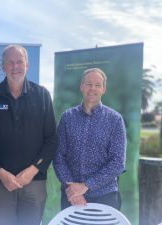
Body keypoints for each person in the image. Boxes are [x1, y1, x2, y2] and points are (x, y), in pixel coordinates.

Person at [0, 44, 57, 225]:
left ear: (27, 65)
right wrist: (0, 172)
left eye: (19, 62)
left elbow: (51, 140)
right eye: (10, 62)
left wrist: (33, 170)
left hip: (34, 181)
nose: (15, 67)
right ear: (3, 66)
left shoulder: (42, 95)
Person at [53, 68, 126, 210]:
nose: (92, 88)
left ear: (104, 89)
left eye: (97, 85)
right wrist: (73, 190)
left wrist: (86, 186)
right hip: (72, 196)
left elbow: (117, 162)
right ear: (81, 86)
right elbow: (59, 157)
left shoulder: (115, 120)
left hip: (105, 196)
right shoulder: (67, 117)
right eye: (88, 84)